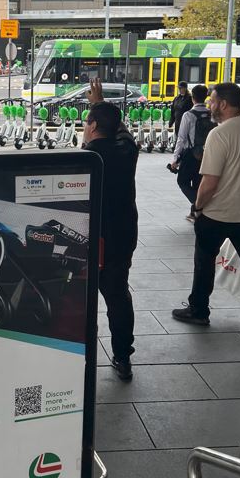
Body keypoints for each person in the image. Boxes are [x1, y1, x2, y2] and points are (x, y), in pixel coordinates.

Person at [171, 82, 240, 344]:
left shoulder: (219, 135)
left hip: (217, 214)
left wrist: (198, 208)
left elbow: (209, 181)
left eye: (212, 101)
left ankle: (198, 310)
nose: (209, 105)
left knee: (203, 262)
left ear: (223, 104)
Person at [83, 79, 139, 381]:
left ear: (91, 127)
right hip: (123, 235)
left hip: (93, 240)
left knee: (84, 300)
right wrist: (101, 106)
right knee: (118, 296)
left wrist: (97, 106)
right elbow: (121, 129)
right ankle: (122, 356)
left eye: (87, 123)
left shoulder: (87, 158)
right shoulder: (128, 151)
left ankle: (84, 357)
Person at [170, 84, 213, 221]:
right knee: (198, 183)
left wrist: (175, 159)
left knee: (182, 181)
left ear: (193, 98)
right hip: (207, 154)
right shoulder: (211, 114)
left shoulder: (188, 115)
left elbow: (181, 139)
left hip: (191, 154)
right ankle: (194, 214)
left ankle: (199, 206)